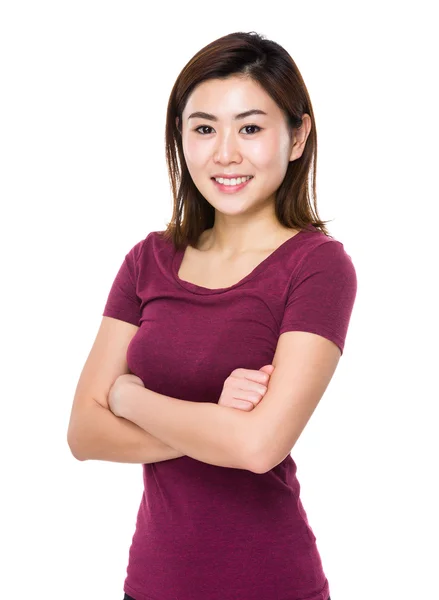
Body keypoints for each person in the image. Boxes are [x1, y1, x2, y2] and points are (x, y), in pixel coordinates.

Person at [68, 30, 355, 600]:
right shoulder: (149, 260)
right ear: (181, 139)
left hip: (271, 584)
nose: (225, 153)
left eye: (250, 128)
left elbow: (258, 449)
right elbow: (83, 433)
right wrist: (218, 423)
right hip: (151, 584)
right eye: (204, 129)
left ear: (297, 137)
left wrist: (129, 399)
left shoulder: (317, 266)